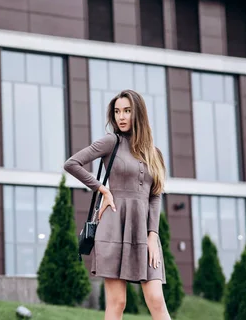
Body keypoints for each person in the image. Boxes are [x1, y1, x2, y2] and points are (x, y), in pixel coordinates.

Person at [64, 89, 171, 320]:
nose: (121, 117)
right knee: (117, 303)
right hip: (112, 226)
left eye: (127, 111)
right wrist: (102, 189)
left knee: (156, 300)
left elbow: (155, 195)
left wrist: (153, 235)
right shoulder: (111, 142)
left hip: (144, 232)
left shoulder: (155, 154)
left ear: (138, 114)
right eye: (117, 111)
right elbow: (72, 163)